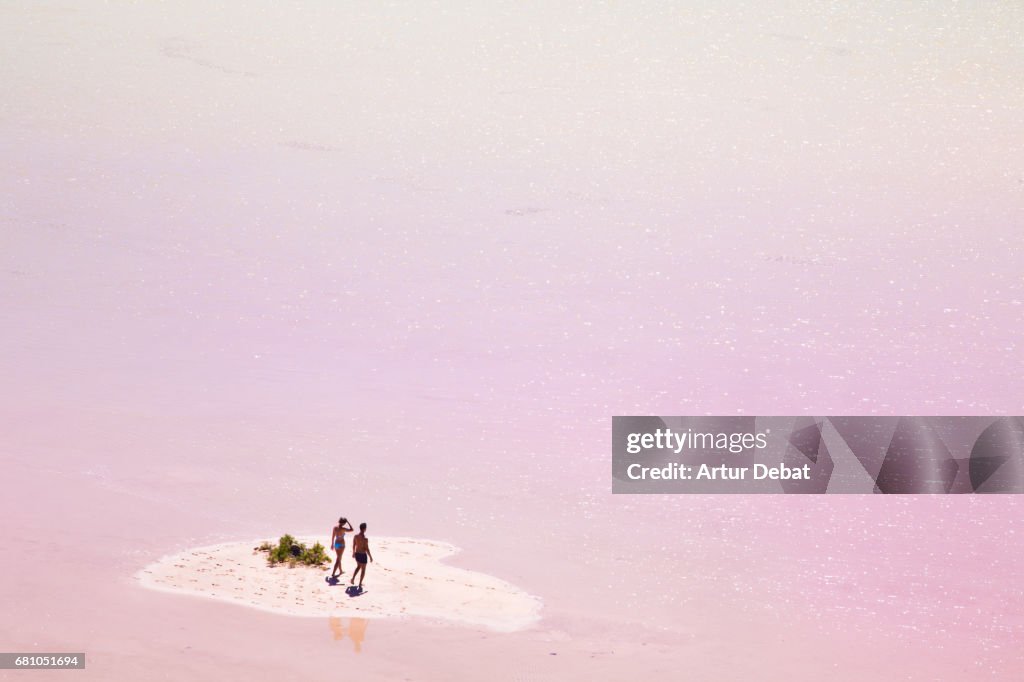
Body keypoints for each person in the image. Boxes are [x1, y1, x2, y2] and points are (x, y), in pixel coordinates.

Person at [350, 522, 373, 588]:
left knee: (358, 566)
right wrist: (370, 557)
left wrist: (353, 553)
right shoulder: (365, 538)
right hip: (363, 555)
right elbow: (367, 549)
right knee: (363, 570)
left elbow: (354, 545)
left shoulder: (355, 536)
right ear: (365, 529)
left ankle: (353, 578)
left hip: (357, 554)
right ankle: (360, 583)